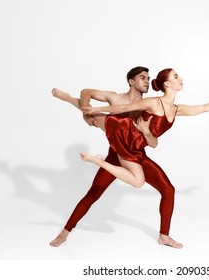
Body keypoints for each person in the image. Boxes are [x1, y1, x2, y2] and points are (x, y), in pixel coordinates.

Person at [50, 67, 183, 249]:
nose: (146, 81)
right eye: (142, 78)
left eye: (148, 78)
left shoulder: (151, 105)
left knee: (168, 190)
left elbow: (163, 123)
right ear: (131, 81)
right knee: (93, 193)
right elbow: (86, 93)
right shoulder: (115, 98)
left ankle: (164, 236)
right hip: (116, 156)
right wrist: (85, 114)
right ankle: (64, 232)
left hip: (137, 156)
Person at [80, 68, 209, 187]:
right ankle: (68, 99)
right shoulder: (153, 102)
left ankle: (98, 161)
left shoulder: (177, 109)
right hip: (125, 132)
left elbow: (204, 107)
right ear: (167, 84)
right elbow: (123, 108)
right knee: (86, 111)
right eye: (176, 77)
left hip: (137, 145)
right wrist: (95, 109)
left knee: (138, 182)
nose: (181, 79)